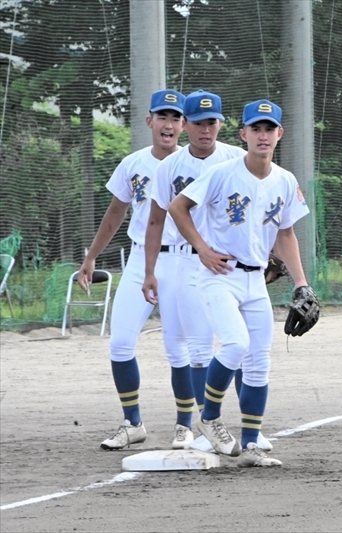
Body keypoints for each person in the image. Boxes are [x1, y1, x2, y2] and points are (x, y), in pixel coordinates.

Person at [168, 99, 312, 467]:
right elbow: (178, 207)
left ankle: (250, 446)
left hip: (256, 282)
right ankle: (211, 417)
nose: (263, 136)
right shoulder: (223, 173)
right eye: (256, 129)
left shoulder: (285, 180)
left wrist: (301, 283)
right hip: (219, 276)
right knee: (235, 344)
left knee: (259, 363)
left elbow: (286, 234)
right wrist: (201, 248)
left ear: (280, 134)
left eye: (269, 129)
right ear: (243, 134)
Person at [142, 89, 271, 453]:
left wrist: (267, 255)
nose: (205, 129)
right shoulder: (169, 167)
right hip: (185, 259)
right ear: (186, 125)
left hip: (232, 263)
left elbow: (264, 210)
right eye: (198, 122)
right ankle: (204, 426)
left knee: (246, 349)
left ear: (222, 124)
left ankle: (251, 428)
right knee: (199, 347)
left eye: (212, 122)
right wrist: (150, 269)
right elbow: (157, 220)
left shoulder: (236, 156)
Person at [76, 89, 189, 450]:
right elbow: (115, 214)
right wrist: (92, 256)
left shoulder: (197, 164)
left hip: (183, 259)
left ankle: (185, 425)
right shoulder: (133, 163)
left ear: (183, 125)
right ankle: (132, 422)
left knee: (177, 347)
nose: (168, 124)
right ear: (149, 121)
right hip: (142, 258)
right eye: (162, 117)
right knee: (121, 341)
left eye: (175, 118)